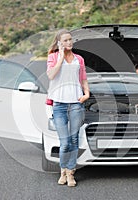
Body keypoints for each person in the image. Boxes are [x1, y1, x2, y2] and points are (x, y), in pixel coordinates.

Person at [46, 29, 90, 187]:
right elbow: (51, 75)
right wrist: (60, 57)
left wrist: (87, 93)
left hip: (76, 103)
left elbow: (83, 77)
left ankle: (71, 173)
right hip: (59, 104)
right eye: (65, 40)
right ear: (59, 42)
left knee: (74, 139)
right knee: (64, 142)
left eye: (70, 40)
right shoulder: (53, 57)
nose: (69, 43)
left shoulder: (79, 59)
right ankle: (63, 170)